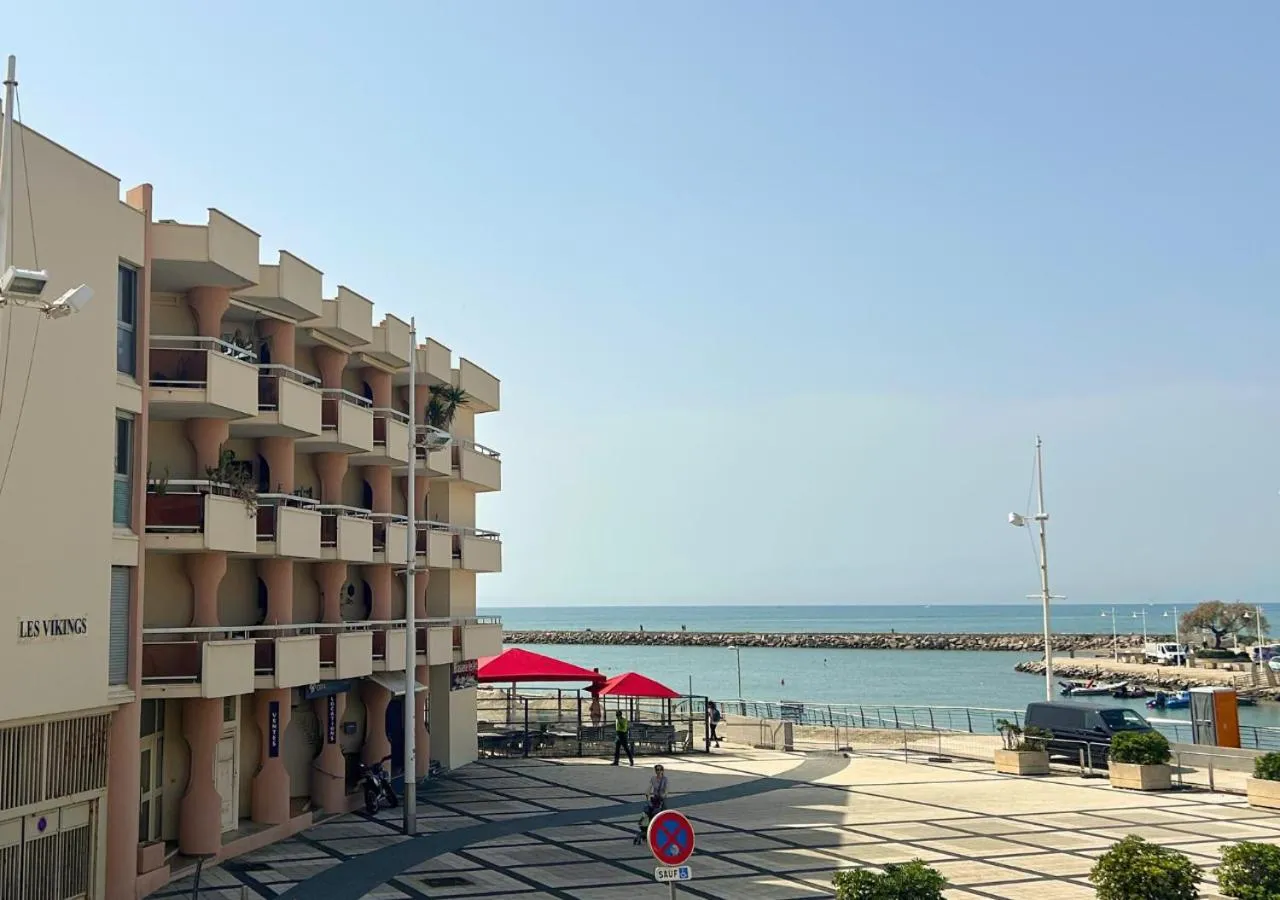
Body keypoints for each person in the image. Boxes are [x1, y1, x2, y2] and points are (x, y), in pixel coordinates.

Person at [634, 764, 669, 845]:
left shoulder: (665, 779)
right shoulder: (653, 778)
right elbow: (649, 787)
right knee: (648, 812)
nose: (658, 771)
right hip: (655, 799)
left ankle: (658, 831)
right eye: (657, 770)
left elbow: (667, 789)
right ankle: (647, 830)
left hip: (662, 800)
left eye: (660, 770)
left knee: (660, 815)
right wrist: (647, 793)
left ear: (662, 771)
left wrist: (664, 794)